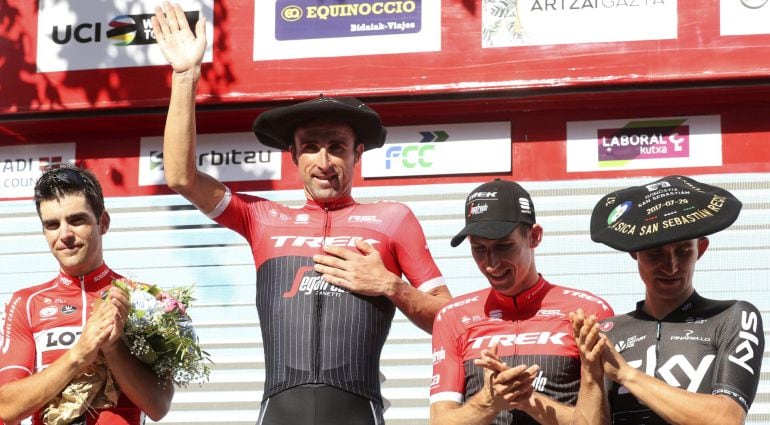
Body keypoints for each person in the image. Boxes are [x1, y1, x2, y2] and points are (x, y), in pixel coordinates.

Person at [151, 3, 452, 424]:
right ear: (293, 154)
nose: (324, 160)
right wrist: (185, 77)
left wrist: (390, 286)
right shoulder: (261, 218)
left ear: (357, 153)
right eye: (311, 146)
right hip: (279, 410)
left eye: (337, 146)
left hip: (357, 410)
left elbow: (451, 320)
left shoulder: (393, 219)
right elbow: (182, 177)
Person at [572, 174, 765, 425]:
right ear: (635, 253)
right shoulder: (610, 332)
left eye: (683, 251)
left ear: (701, 249)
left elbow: (727, 418)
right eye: (655, 253)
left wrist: (626, 374)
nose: (671, 266)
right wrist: (590, 372)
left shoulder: (733, 316)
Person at [430, 178, 615, 425]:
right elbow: (440, 421)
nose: (491, 263)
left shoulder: (589, 312)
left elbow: (598, 422)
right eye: (478, 249)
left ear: (534, 236)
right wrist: (489, 400)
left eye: (504, 247)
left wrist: (527, 400)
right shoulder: (453, 316)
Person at [0, 165, 174, 425]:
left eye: (76, 220)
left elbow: (158, 407)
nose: (65, 234)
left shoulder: (144, 299)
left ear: (102, 222)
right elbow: (6, 407)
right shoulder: (27, 303)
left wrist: (113, 347)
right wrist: (78, 354)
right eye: (52, 224)